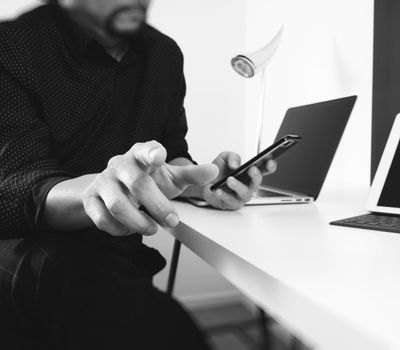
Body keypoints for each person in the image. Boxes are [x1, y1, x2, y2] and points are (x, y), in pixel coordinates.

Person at [0, 0, 276, 348]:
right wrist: (97, 190)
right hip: (24, 251)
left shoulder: (165, 55)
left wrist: (200, 182)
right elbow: (16, 186)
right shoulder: (12, 44)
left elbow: (171, 152)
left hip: (117, 259)